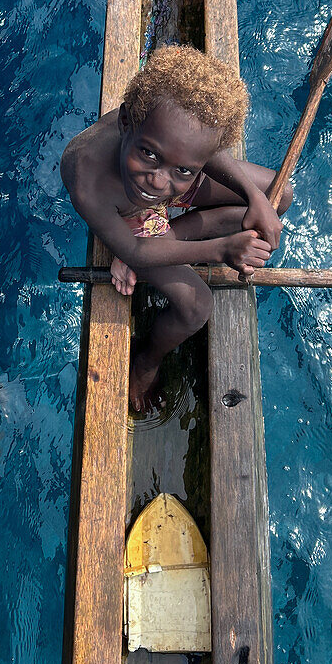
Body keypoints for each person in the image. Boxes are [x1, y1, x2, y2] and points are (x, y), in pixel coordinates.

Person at [61, 45, 293, 412]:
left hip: (172, 200)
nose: (156, 179)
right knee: (197, 306)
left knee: (278, 195)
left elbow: (201, 149)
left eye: (182, 167)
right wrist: (221, 249)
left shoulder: (170, 160)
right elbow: (136, 250)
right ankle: (147, 359)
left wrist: (255, 197)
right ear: (126, 123)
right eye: (149, 154)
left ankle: (168, 234)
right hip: (127, 218)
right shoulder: (86, 177)